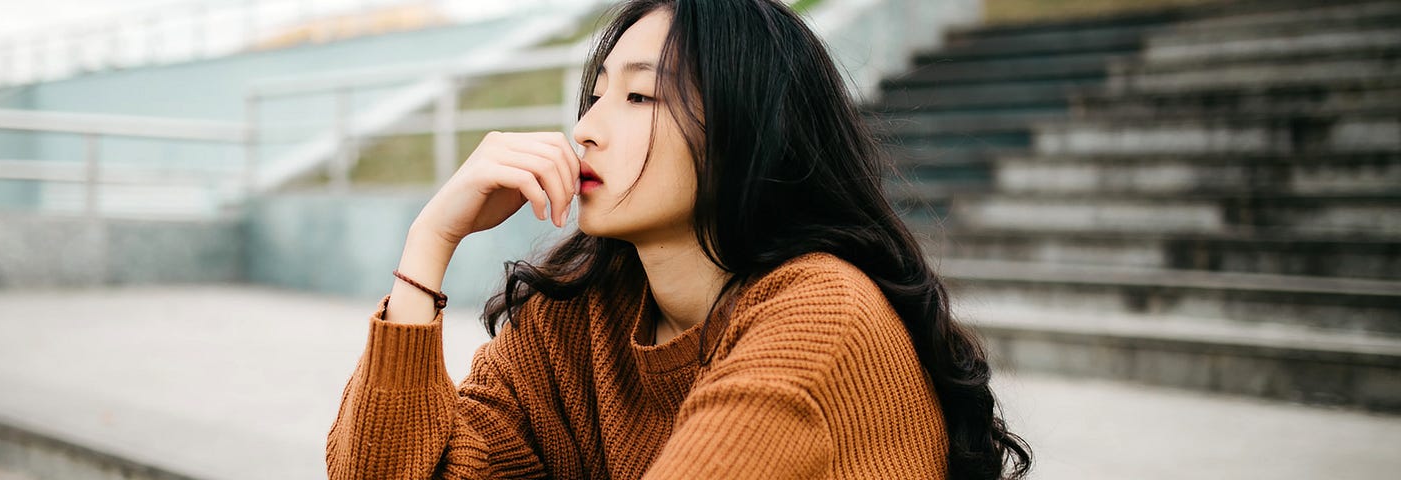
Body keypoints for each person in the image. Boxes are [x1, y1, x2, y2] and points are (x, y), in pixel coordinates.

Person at [326, 0, 1032, 478]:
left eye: (639, 96)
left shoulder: (821, 315)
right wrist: (430, 242)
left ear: (743, 130)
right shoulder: (577, 316)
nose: (588, 129)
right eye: (595, 96)